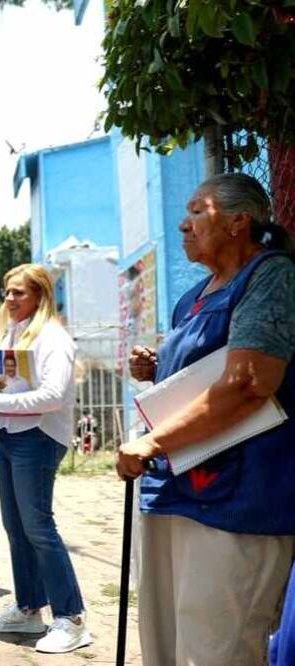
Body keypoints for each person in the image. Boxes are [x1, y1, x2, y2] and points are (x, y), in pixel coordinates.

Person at [118, 173, 295, 666]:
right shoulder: (193, 295)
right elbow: (206, 367)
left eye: (198, 211)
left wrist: (153, 444)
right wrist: (157, 366)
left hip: (238, 497)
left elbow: (249, 382)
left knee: (218, 649)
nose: (183, 223)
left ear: (240, 221)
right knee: (166, 642)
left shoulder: (271, 275)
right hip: (175, 488)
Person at [0, 263, 92, 654]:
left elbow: (53, 395)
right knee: (16, 527)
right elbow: (3, 388)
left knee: (38, 527)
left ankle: (72, 617)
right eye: (7, 291)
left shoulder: (52, 337)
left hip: (38, 439)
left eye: (19, 292)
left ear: (40, 295)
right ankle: (28, 608)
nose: (9, 298)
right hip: (10, 436)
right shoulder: (12, 332)